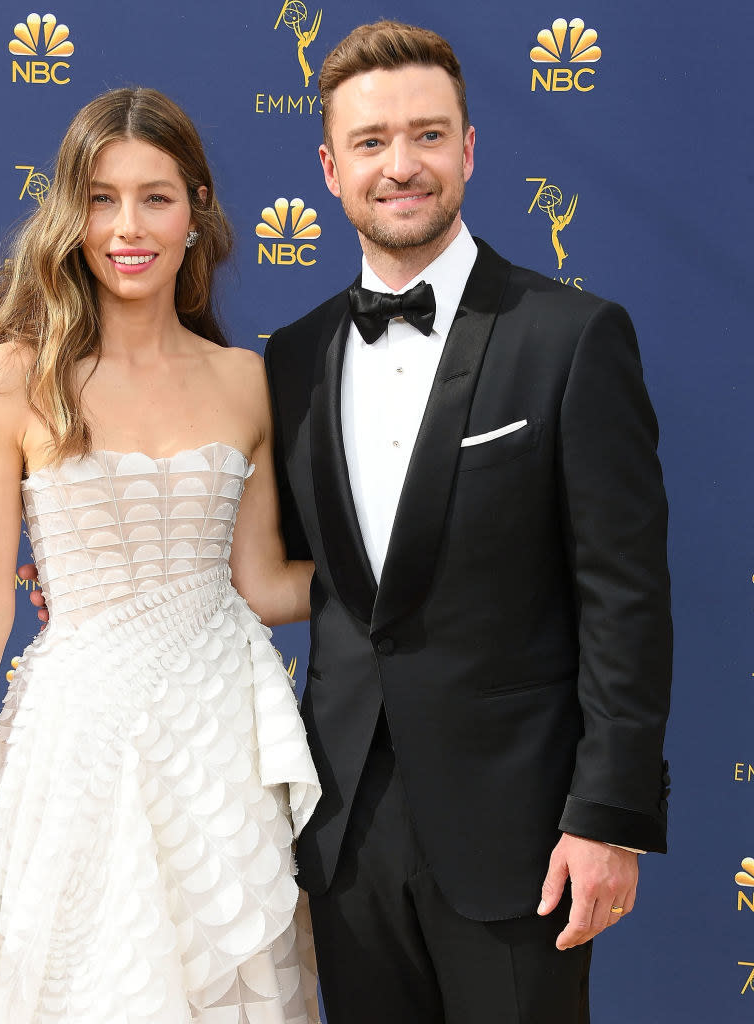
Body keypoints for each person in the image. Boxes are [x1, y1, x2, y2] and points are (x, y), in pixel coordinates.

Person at [0, 87, 321, 1024]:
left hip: (219, 748)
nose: (129, 226)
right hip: (74, 743)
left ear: (197, 213)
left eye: (156, 197)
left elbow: (268, 586)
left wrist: (424, 571)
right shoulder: (11, 376)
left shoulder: (246, 382)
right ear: (69, 214)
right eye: (101, 197)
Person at [261, 21, 672, 1024]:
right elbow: (279, 569)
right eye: (368, 142)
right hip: (344, 832)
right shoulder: (291, 358)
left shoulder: (570, 338)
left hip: (522, 834)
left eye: (426, 135)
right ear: (328, 167)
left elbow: (623, 595)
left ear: (468, 149)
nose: (399, 165)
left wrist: (607, 818)